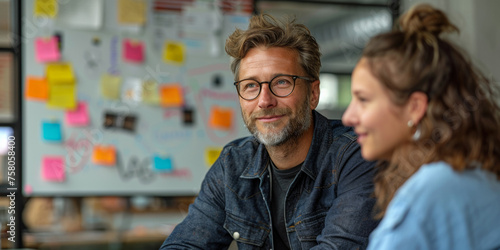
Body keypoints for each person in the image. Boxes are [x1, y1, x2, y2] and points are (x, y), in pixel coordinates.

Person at [160, 14, 379, 249]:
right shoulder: (233, 163)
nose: (264, 101)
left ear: (313, 94)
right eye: (251, 86)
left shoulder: (357, 155)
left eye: (282, 82)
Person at [342, 3, 500, 250]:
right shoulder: (479, 175)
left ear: (414, 107)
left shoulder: (429, 194)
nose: (348, 117)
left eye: (363, 99)